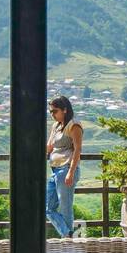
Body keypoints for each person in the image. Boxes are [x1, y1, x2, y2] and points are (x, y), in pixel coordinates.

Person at [45, 95, 83, 237]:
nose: (52, 114)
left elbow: (77, 149)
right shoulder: (56, 126)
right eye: (50, 112)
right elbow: (49, 147)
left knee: (66, 208)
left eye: (55, 111)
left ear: (65, 110)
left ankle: (68, 240)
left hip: (66, 169)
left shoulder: (74, 125)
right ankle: (68, 235)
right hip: (55, 170)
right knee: (48, 208)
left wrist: (71, 172)